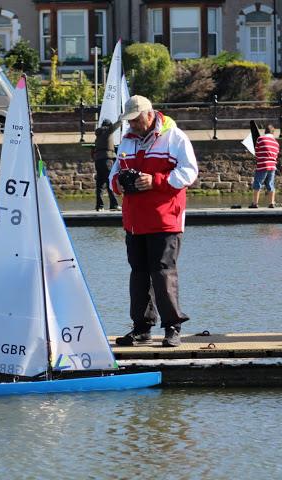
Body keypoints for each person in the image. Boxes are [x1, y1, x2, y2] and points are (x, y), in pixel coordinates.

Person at [109, 95, 198, 348]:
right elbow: (114, 175)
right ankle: (141, 328)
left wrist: (155, 181)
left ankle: (173, 327)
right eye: (129, 121)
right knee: (138, 275)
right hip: (135, 221)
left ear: (149, 115)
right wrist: (119, 183)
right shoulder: (127, 140)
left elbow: (189, 172)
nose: (132, 125)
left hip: (165, 219)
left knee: (162, 273)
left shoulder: (175, 137)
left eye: (135, 120)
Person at [92, 119, 121, 211]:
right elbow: (116, 125)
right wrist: (122, 118)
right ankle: (114, 205)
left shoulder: (98, 134)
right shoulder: (107, 131)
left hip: (98, 160)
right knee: (109, 181)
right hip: (107, 160)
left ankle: (99, 206)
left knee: (100, 183)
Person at [250, 124, 280, 209]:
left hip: (263, 164)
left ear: (265, 131)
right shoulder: (276, 142)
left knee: (257, 183)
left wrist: (259, 159)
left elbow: (257, 152)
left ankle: (255, 203)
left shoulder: (260, 139)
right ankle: (272, 203)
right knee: (270, 184)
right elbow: (276, 154)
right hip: (272, 166)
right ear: (273, 133)